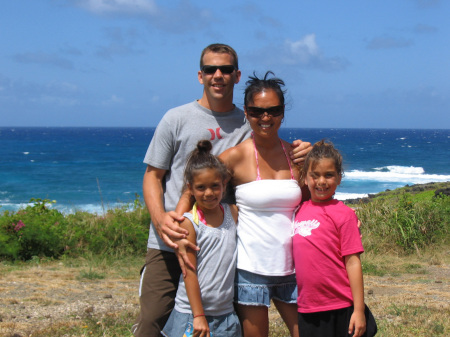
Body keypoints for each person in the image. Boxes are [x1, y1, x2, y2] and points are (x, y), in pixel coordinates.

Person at [132, 43, 312, 336]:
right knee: (153, 321)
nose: (218, 75)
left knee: (226, 324)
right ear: (199, 75)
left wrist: (306, 151)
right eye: (210, 69)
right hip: (172, 239)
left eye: (226, 69)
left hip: (225, 246)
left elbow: (271, 147)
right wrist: (163, 219)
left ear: (237, 75)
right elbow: (152, 175)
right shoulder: (176, 119)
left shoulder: (249, 122)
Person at [219, 71, 307, 337]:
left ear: (282, 113)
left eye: (273, 110)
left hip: (293, 266)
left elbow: (318, 198)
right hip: (251, 270)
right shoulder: (234, 157)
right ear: (246, 112)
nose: (265, 118)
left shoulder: (298, 156)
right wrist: (178, 219)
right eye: (257, 111)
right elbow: (198, 186)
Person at [292, 140, 377, 337]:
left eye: (329, 175)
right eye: (315, 175)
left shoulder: (344, 214)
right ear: (305, 178)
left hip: (341, 306)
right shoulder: (298, 210)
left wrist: (358, 310)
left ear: (339, 178)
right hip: (308, 307)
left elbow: (353, 262)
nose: (321, 181)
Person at [161, 140, 241, 337]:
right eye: (201, 187)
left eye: (215, 186)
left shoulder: (233, 212)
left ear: (224, 184)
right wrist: (198, 315)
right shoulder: (190, 223)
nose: (209, 193)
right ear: (191, 188)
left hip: (225, 312)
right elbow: (189, 271)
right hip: (192, 314)